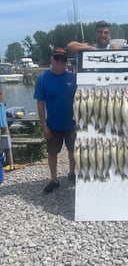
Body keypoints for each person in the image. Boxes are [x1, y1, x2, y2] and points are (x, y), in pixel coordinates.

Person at [34, 47, 77, 194]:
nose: (59, 61)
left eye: (63, 59)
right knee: (52, 153)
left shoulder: (73, 77)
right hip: (53, 124)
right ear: (51, 59)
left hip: (72, 123)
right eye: (57, 58)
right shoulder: (42, 78)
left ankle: (72, 173)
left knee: (73, 151)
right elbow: (40, 103)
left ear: (66, 62)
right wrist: (44, 125)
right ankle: (54, 180)